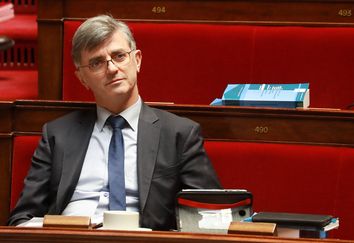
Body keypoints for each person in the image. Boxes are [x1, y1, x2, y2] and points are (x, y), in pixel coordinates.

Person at [8, 15, 221, 230]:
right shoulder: (58, 135)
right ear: (82, 78)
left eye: (119, 56)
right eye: (96, 62)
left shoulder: (179, 134)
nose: (111, 69)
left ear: (137, 60)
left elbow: (211, 217)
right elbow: (22, 218)